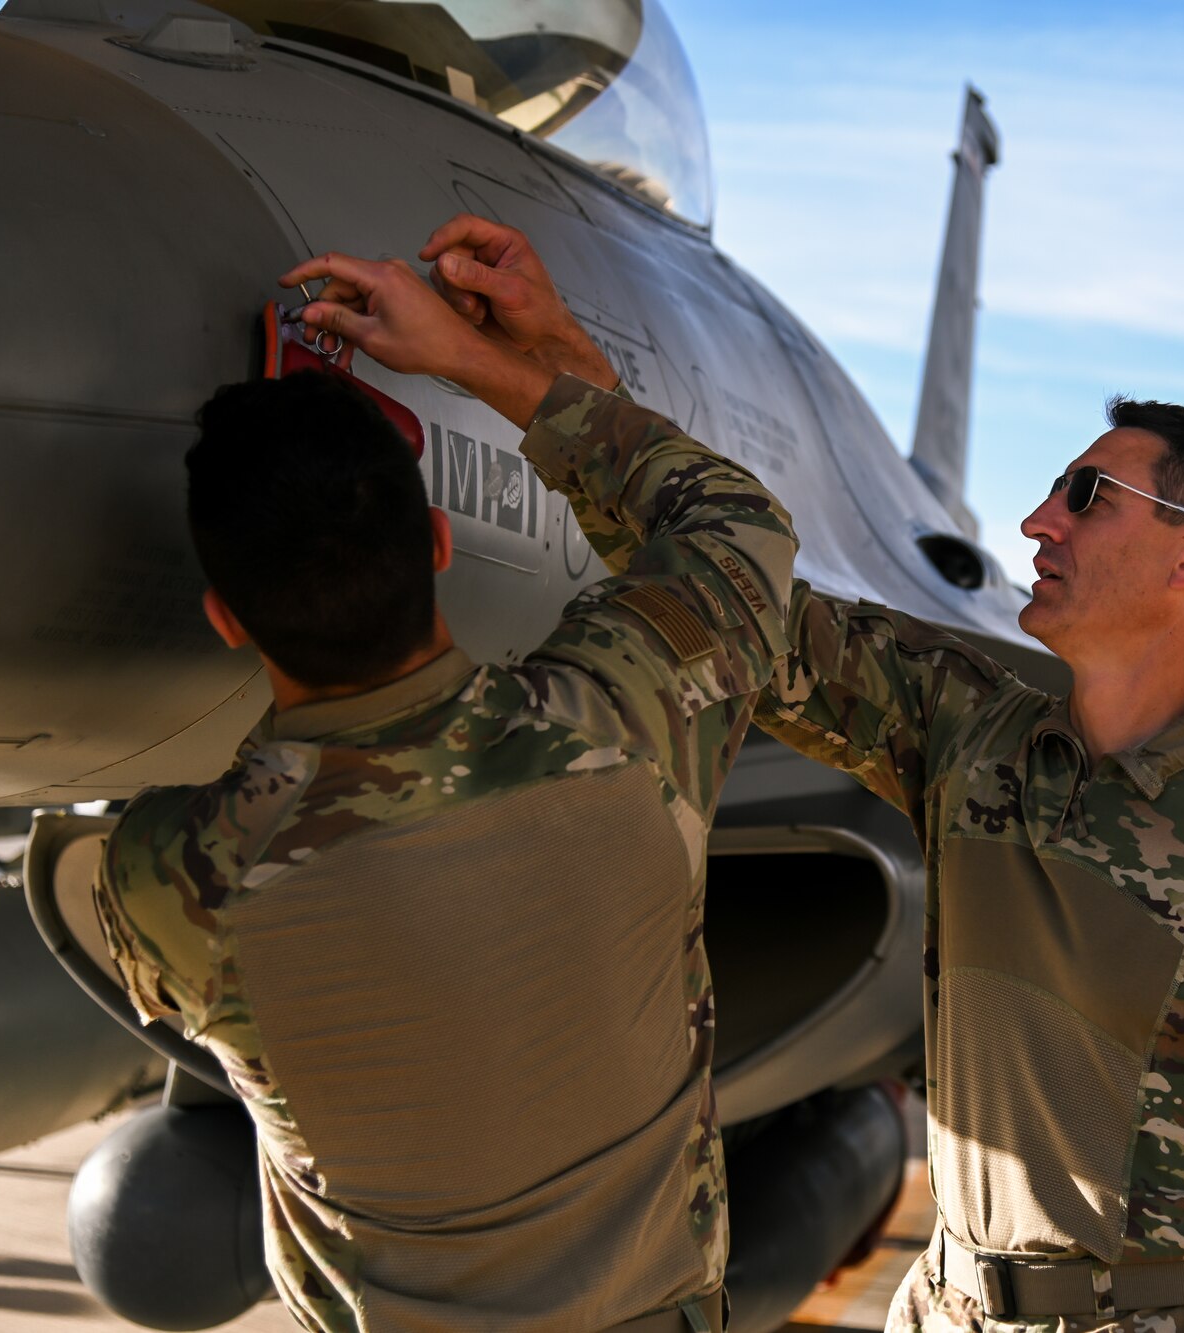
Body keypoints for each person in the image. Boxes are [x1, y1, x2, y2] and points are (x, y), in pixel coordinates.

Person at [413, 215, 1184, 1333]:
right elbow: (726, 586)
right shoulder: (967, 736)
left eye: (1086, 498)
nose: (1034, 523)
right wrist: (550, 370)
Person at [91, 248, 797, 1332]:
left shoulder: (173, 873)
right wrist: (494, 363)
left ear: (225, 618)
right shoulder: (622, 722)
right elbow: (737, 530)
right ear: (435, 543)